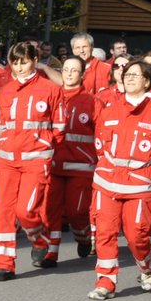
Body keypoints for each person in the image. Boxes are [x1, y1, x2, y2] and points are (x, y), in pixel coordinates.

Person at [88, 60, 151, 299]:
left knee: (137, 234)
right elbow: (99, 147)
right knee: (105, 232)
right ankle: (105, 282)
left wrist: (148, 176)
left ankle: (147, 267)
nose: (129, 78)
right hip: (106, 183)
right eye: (127, 74)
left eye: (136, 75)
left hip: (139, 185)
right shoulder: (108, 111)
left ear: (147, 81)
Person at [0, 41, 64, 281]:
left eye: (24, 61)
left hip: (35, 160)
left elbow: (59, 127)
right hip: (7, 160)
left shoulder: (50, 89)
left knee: (26, 210)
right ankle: (4, 263)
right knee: (3, 211)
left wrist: (44, 146)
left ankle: (39, 240)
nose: (19, 67)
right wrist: (5, 145)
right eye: (15, 62)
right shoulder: (7, 90)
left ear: (34, 60)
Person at [43, 55, 97, 265]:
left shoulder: (92, 102)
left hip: (81, 166)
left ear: (82, 74)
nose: (69, 74)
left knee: (77, 211)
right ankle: (51, 252)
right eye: (66, 69)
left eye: (75, 70)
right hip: (53, 164)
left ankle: (83, 237)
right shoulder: (51, 96)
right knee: (51, 210)